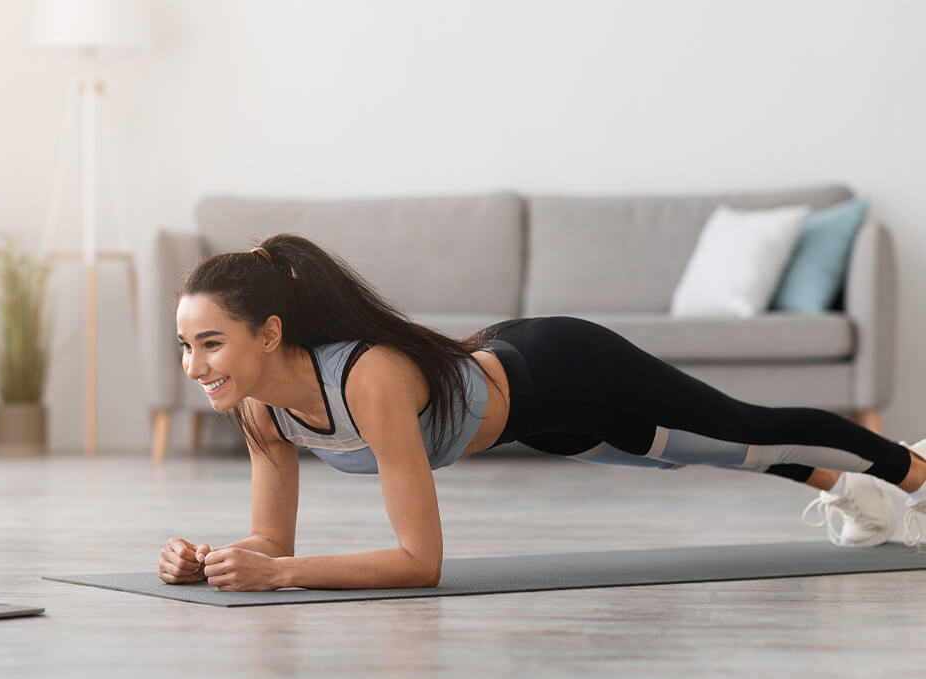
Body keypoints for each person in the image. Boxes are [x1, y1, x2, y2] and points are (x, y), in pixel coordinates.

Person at [158, 234, 926, 591]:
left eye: (212, 344)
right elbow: (270, 538)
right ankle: (851, 489)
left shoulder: (369, 378)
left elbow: (419, 564)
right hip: (538, 419)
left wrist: (282, 575)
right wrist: (218, 559)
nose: (196, 368)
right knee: (704, 453)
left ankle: (915, 472)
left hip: (563, 367)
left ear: (269, 332)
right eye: (186, 347)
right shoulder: (260, 409)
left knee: (745, 429)